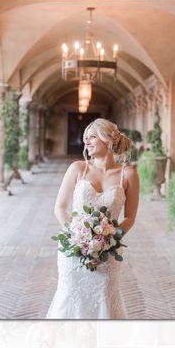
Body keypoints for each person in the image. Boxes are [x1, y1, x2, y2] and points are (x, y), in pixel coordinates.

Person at [46, 118, 139, 319]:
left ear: (108, 140)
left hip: (108, 254)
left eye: (92, 137)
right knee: (70, 297)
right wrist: (78, 240)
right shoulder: (78, 168)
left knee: (104, 298)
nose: (86, 142)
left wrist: (109, 241)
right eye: (85, 138)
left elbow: (130, 217)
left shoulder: (129, 174)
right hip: (73, 250)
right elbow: (60, 208)